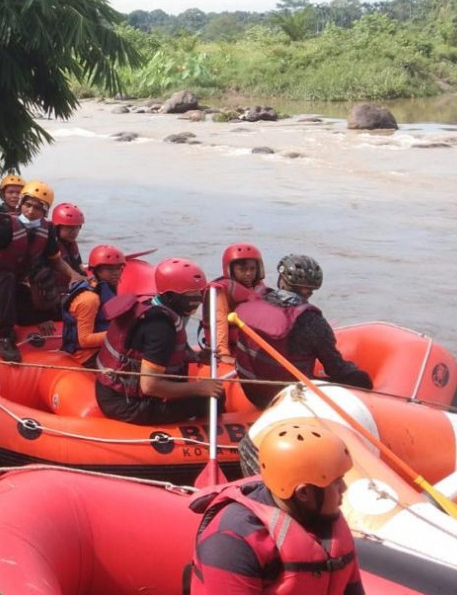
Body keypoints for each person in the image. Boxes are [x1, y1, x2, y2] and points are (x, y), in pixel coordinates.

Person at [189, 420, 363, 594]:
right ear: (303, 493)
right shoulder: (231, 542)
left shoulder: (324, 517)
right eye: (336, 483)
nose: (344, 489)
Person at [95, 258, 224, 425]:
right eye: (190, 295)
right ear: (170, 295)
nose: (196, 300)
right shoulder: (160, 328)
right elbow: (150, 386)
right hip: (126, 404)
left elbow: (160, 352)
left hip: (111, 391)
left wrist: (198, 357)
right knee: (216, 399)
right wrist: (200, 388)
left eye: (198, 293)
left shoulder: (152, 306)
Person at [232, 254, 372, 409]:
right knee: (361, 379)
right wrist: (353, 368)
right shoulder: (312, 321)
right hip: (293, 397)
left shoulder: (253, 303)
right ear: (310, 290)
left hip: (255, 396)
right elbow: (336, 369)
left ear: (281, 280)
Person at [0, 180, 74, 362]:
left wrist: (75, 275)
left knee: (40, 291)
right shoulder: (7, 225)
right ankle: (4, 338)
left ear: (45, 211)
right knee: (7, 277)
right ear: (21, 204)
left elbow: (55, 260)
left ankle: (0, 313)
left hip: (12, 287)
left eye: (37, 208)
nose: (30, 211)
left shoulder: (47, 230)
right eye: (27, 205)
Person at [205, 243, 269, 365]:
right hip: (230, 348)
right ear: (231, 270)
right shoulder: (220, 291)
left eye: (252, 269)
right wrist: (223, 354)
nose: (249, 274)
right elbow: (220, 322)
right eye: (243, 270)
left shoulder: (259, 288)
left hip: (252, 348)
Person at [60, 244, 125, 364]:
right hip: (87, 356)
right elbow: (85, 340)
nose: (116, 273)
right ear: (97, 271)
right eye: (110, 269)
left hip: (103, 348)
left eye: (118, 268)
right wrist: (120, 334)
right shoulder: (89, 299)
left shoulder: (104, 287)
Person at [51, 202, 87, 279]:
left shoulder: (72, 244)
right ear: (57, 227)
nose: (74, 232)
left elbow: (79, 266)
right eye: (69, 227)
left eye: (76, 227)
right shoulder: (50, 245)